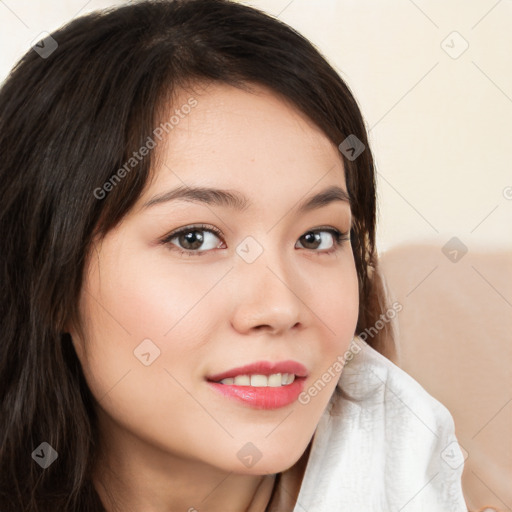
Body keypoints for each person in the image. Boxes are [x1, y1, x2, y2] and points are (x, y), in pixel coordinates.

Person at [0, 0, 468, 510]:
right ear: (50, 279)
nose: (281, 308)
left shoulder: (414, 469)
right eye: (194, 238)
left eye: (317, 237)